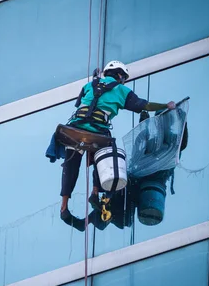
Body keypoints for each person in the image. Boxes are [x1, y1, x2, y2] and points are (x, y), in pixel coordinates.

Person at [60, 60, 176, 229]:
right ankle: (97, 193)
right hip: (98, 129)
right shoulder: (121, 89)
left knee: (72, 162)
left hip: (74, 128)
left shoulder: (89, 85)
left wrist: (96, 80)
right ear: (120, 76)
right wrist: (166, 105)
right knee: (108, 157)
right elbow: (144, 105)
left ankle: (64, 206)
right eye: (123, 78)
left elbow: (80, 103)